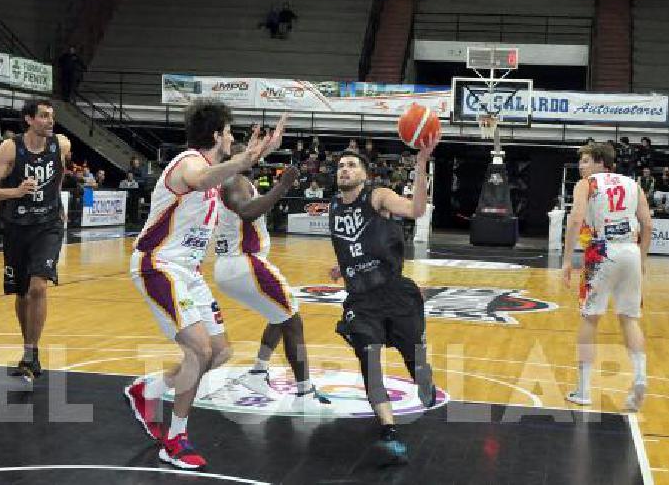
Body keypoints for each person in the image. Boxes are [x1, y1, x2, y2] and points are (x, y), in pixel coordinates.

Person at [123, 101, 287, 470]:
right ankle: (175, 440)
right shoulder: (188, 163)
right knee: (197, 350)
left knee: (219, 353)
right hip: (159, 265)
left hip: (189, 272)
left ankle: (148, 390)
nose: (233, 138)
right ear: (216, 135)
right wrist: (245, 159)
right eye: (229, 132)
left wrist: (258, 153)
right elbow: (201, 178)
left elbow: (223, 177)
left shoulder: (215, 169)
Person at [326, 131, 442, 464]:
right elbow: (356, 241)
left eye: (352, 166)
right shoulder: (334, 206)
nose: (344, 170)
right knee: (370, 361)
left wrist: (420, 164)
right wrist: (343, 266)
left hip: (396, 295)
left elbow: (417, 210)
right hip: (361, 301)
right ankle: (389, 431)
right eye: (341, 166)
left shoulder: (378, 197)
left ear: (364, 174)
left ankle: (423, 378)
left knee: (413, 358)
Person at [212, 145, 331, 405]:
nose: (253, 155)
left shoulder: (234, 182)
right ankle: (304, 392)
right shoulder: (234, 180)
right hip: (244, 263)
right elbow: (247, 211)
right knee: (293, 321)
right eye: (247, 153)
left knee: (278, 314)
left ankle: (258, 371)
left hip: (231, 265)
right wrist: (283, 185)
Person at [0, 99, 72, 381]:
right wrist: (15, 192)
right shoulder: (10, 148)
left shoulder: (61, 145)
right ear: (29, 120)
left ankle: (31, 353)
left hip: (49, 226)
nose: (50, 121)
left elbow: (60, 174)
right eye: (43, 116)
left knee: (38, 287)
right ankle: (28, 349)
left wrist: (58, 203)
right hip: (17, 226)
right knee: (21, 293)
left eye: (51, 116)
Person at [561, 142, 653, 413]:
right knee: (630, 319)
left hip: (601, 251)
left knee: (590, 318)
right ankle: (640, 377)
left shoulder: (587, 184)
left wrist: (567, 259)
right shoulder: (633, 184)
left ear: (602, 162)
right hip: (631, 251)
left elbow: (576, 219)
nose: (581, 167)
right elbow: (648, 224)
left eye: (586, 161)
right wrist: (643, 259)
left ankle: (584, 389)